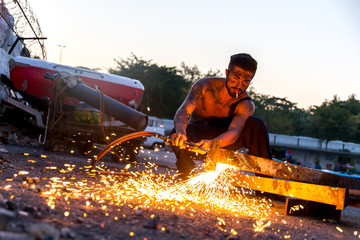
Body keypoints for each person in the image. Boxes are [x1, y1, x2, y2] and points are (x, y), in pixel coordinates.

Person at [171, 53, 272, 179]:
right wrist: (181, 132)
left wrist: (212, 143)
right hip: (196, 140)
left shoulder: (245, 104)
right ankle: (186, 176)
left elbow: (234, 132)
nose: (239, 86)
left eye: (245, 82)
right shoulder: (204, 86)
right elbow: (184, 111)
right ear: (227, 73)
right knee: (176, 130)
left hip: (224, 143)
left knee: (257, 124)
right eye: (235, 79)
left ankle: (266, 187)